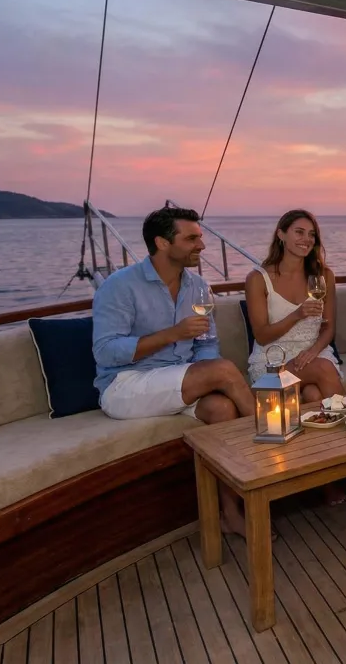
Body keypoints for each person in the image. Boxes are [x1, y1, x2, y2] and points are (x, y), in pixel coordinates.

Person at [92, 204, 256, 536]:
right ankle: (272, 440)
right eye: (192, 238)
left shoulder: (197, 286)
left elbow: (207, 345)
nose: (202, 245)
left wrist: (203, 375)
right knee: (224, 371)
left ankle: (230, 513)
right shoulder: (119, 286)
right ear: (163, 243)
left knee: (222, 408)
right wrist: (172, 335)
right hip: (126, 385)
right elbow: (106, 351)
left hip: (180, 380)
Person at [244, 209, 343, 400]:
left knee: (313, 395)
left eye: (311, 234)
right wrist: (297, 315)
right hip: (273, 361)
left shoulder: (324, 276)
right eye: (299, 232)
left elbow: (329, 327)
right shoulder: (258, 279)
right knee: (323, 369)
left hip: (314, 353)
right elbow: (262, 336)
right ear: (281, 234)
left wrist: (313, 352)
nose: (307, 239)